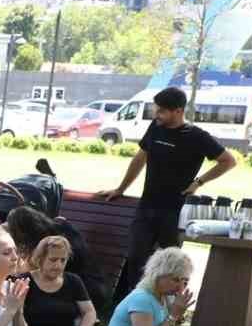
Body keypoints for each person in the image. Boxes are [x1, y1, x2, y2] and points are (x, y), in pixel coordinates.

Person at [97, 86, 237, 305]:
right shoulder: (155, 128)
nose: (157, 114)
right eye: (157, 109)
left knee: (169, 266)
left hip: (174, 210)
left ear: (178, 111)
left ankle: (164, 309)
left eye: (162, 111)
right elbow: (139, 159)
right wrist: (121, 189)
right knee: (136, 257)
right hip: (147, 206)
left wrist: (199, 182)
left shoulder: (197, 137)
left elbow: (228, 161)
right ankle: (133, 306)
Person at [15, 234, 103, 326]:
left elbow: (89, 312)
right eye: (53, 260)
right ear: (40, 259)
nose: (58, 265)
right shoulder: (24, 281)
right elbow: (15, 317)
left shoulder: (73, 281)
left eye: (63, 260)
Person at [4, 205, 108, 321]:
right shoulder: (61, 226)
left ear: (24, 232)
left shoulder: (44, 244)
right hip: (96, 287)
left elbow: (28, 273)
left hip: (83, 293)